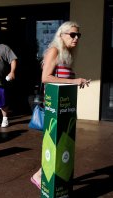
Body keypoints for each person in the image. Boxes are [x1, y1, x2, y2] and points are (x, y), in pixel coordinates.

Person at [30, 21, 90, 189]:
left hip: (64, 107)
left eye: (78, 35)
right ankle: (40, 176)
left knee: (61, 144)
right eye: (72, 34)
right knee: (54, 143)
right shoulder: (54, 51)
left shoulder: (68, 55)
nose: (76, 38)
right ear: (61, 35)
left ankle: (51, 177)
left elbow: (64, 81)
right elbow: (45, 78)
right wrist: (74, 81)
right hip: (53, 107)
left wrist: (76, 82)